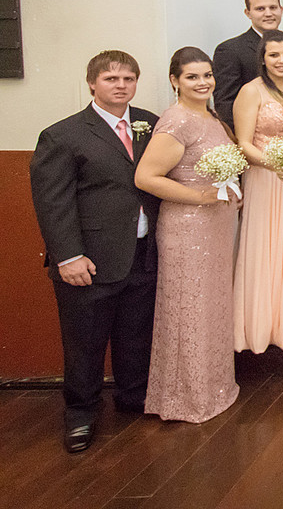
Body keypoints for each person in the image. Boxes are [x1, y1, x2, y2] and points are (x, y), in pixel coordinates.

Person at [30, 51, 161, 452]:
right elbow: (53, 201)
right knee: (84, 343)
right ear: (92, 83)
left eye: (128, 78)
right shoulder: (63, 134)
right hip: (90, 258)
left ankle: (133, 397)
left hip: (143, 251)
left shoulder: (151, 124)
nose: (121, 85)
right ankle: (80, 413)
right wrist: (68, 256)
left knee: (136, 335)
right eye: (111, 78)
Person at [134, 47, 238, 423]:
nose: (203, 82)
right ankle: (186, 397)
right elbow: (146, 177)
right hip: (187, 227)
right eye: (192, 76)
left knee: (210, 306)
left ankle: (215, 387)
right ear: (174, 81)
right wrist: (200, 197)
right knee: (188, 308)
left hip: (216, 226)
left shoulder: (211, 116)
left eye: (207, 75)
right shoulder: (176, 120)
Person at [231, 30, 283, 353]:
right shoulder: (251, 91)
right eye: (274, 55)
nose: (282, 61)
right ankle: (267, 324)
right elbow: (243, 143)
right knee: (270, 246)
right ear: (262, 59)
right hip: (267, 177)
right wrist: (272, 163)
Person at [213, 0, 283, 127]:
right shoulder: (230, 50)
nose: (268, 13)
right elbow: (225, 103)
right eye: (260, 9)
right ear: (248, 13)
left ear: (281, 10)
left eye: (273, 8)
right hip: (255, 132)